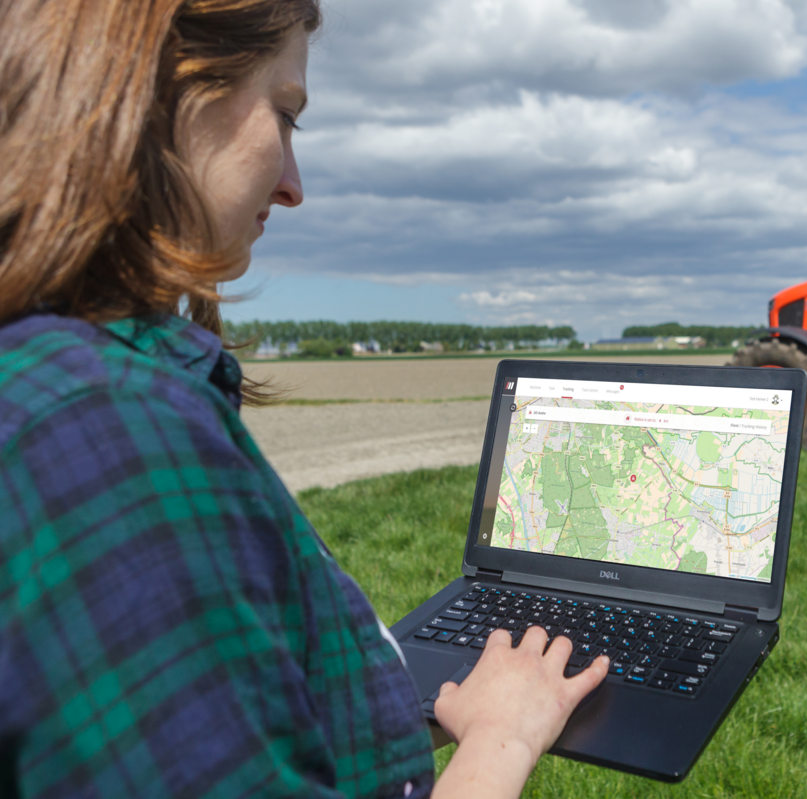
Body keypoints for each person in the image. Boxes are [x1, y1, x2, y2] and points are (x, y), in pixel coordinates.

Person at [0, 1, 609, 797]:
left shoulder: (49, 378)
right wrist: (502, 736)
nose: (293, 185)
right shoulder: (108, 434)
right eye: (283, 114)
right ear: (158, 92)